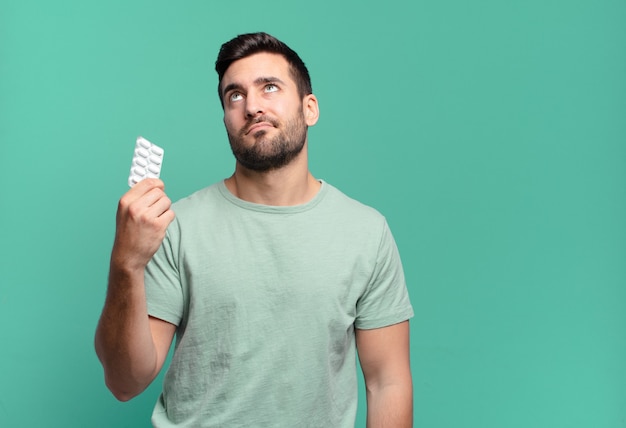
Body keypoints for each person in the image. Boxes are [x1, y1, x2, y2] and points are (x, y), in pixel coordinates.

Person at [95, 32, 414, 427]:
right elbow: (125, 382)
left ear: (309, 107)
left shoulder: (367, 232)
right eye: (235, 95)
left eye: (270, 87)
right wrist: (126, 263)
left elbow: (388, 383)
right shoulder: (176, 226)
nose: (252, 106)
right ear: (226, 118)